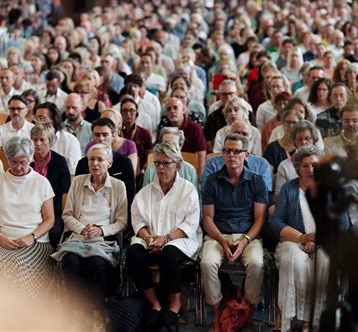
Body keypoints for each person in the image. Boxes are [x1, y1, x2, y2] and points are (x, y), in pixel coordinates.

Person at [271, 146, 349, 331]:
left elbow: (344, 223)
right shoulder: (289, 188)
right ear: (298, 168)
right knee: (293, 260)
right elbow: (276, 222)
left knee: (327, 262)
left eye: (314, 165)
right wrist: (302, 237)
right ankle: (289, 319)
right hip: (296, 241)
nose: (310, 170)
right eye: (305, 165)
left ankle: (318, 320)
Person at [126, 142, 202, 330]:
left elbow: (190, 223)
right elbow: (138, 221)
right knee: (133, 254)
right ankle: (155, 303)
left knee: (169, 254)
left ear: (177, 165)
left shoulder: (187, 190)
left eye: (166, 163)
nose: (160, 168)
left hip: (178, 239)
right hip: (150, 239)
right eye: (157, 163)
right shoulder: (145, 192)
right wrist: (148, 238)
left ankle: (175, 305)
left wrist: (166, 239)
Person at [52, 143, 127, 327]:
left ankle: (98, 311)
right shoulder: (78, 181)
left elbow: (122, 221)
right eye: (91, 159)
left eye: (100, 159)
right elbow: (67, 215)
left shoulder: (118, 186)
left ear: (109, 163)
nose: (95, 163)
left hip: (103, 239)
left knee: (97, 263)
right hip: (79, 236)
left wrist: (101, 230)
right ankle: (77, 309)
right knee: (70, 260)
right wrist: (81, 228)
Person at [201, 133, 269, 330]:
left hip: (248, 236)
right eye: (227, 151)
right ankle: (219, 314)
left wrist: (245, 241)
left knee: (256, 264)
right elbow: (207, 218)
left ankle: (246, 312)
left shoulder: (257, 181)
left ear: (246, 155)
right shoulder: (212, 181)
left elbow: (260, 219)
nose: (231, 155)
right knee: (207, 263)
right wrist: (223, 241)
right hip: (217, 234)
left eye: (236, 151)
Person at [0, 137, 55, 300]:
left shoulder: (41, 182)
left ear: (31, 159)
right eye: (13, 162)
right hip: (3, 238)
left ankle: (22, 314)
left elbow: (50, 219)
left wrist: (32, 236)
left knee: (19, 266)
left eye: (23, 162)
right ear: (7, 159)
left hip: (35, 240)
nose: (18, 167)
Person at [75, 118, 135, 218]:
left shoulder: (124, 163)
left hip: (115, 216)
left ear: (113, 136)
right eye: (97, 135)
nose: (101, 138)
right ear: (92, 136)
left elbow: (129, 197)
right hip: (86, 215)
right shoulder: (83, 163)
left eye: (105, 134)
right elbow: (77, 196)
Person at [30, 123, 71, 249]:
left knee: (54, 233)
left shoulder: (60, 161)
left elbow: (65, 192)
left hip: (54, 209)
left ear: (51, 142)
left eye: (42, 139)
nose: (37, 143)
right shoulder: (27, 161)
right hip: (29, 207)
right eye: (35, 139)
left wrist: (64, 216)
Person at [120, 96, 153, 172]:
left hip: (140, 171)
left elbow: (150, 156)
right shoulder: (116, 133)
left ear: (137, 113)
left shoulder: (145, 133)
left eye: (132, 111)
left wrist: (144, 170)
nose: (128, 114)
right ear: (121, 113)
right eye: (125, 111)